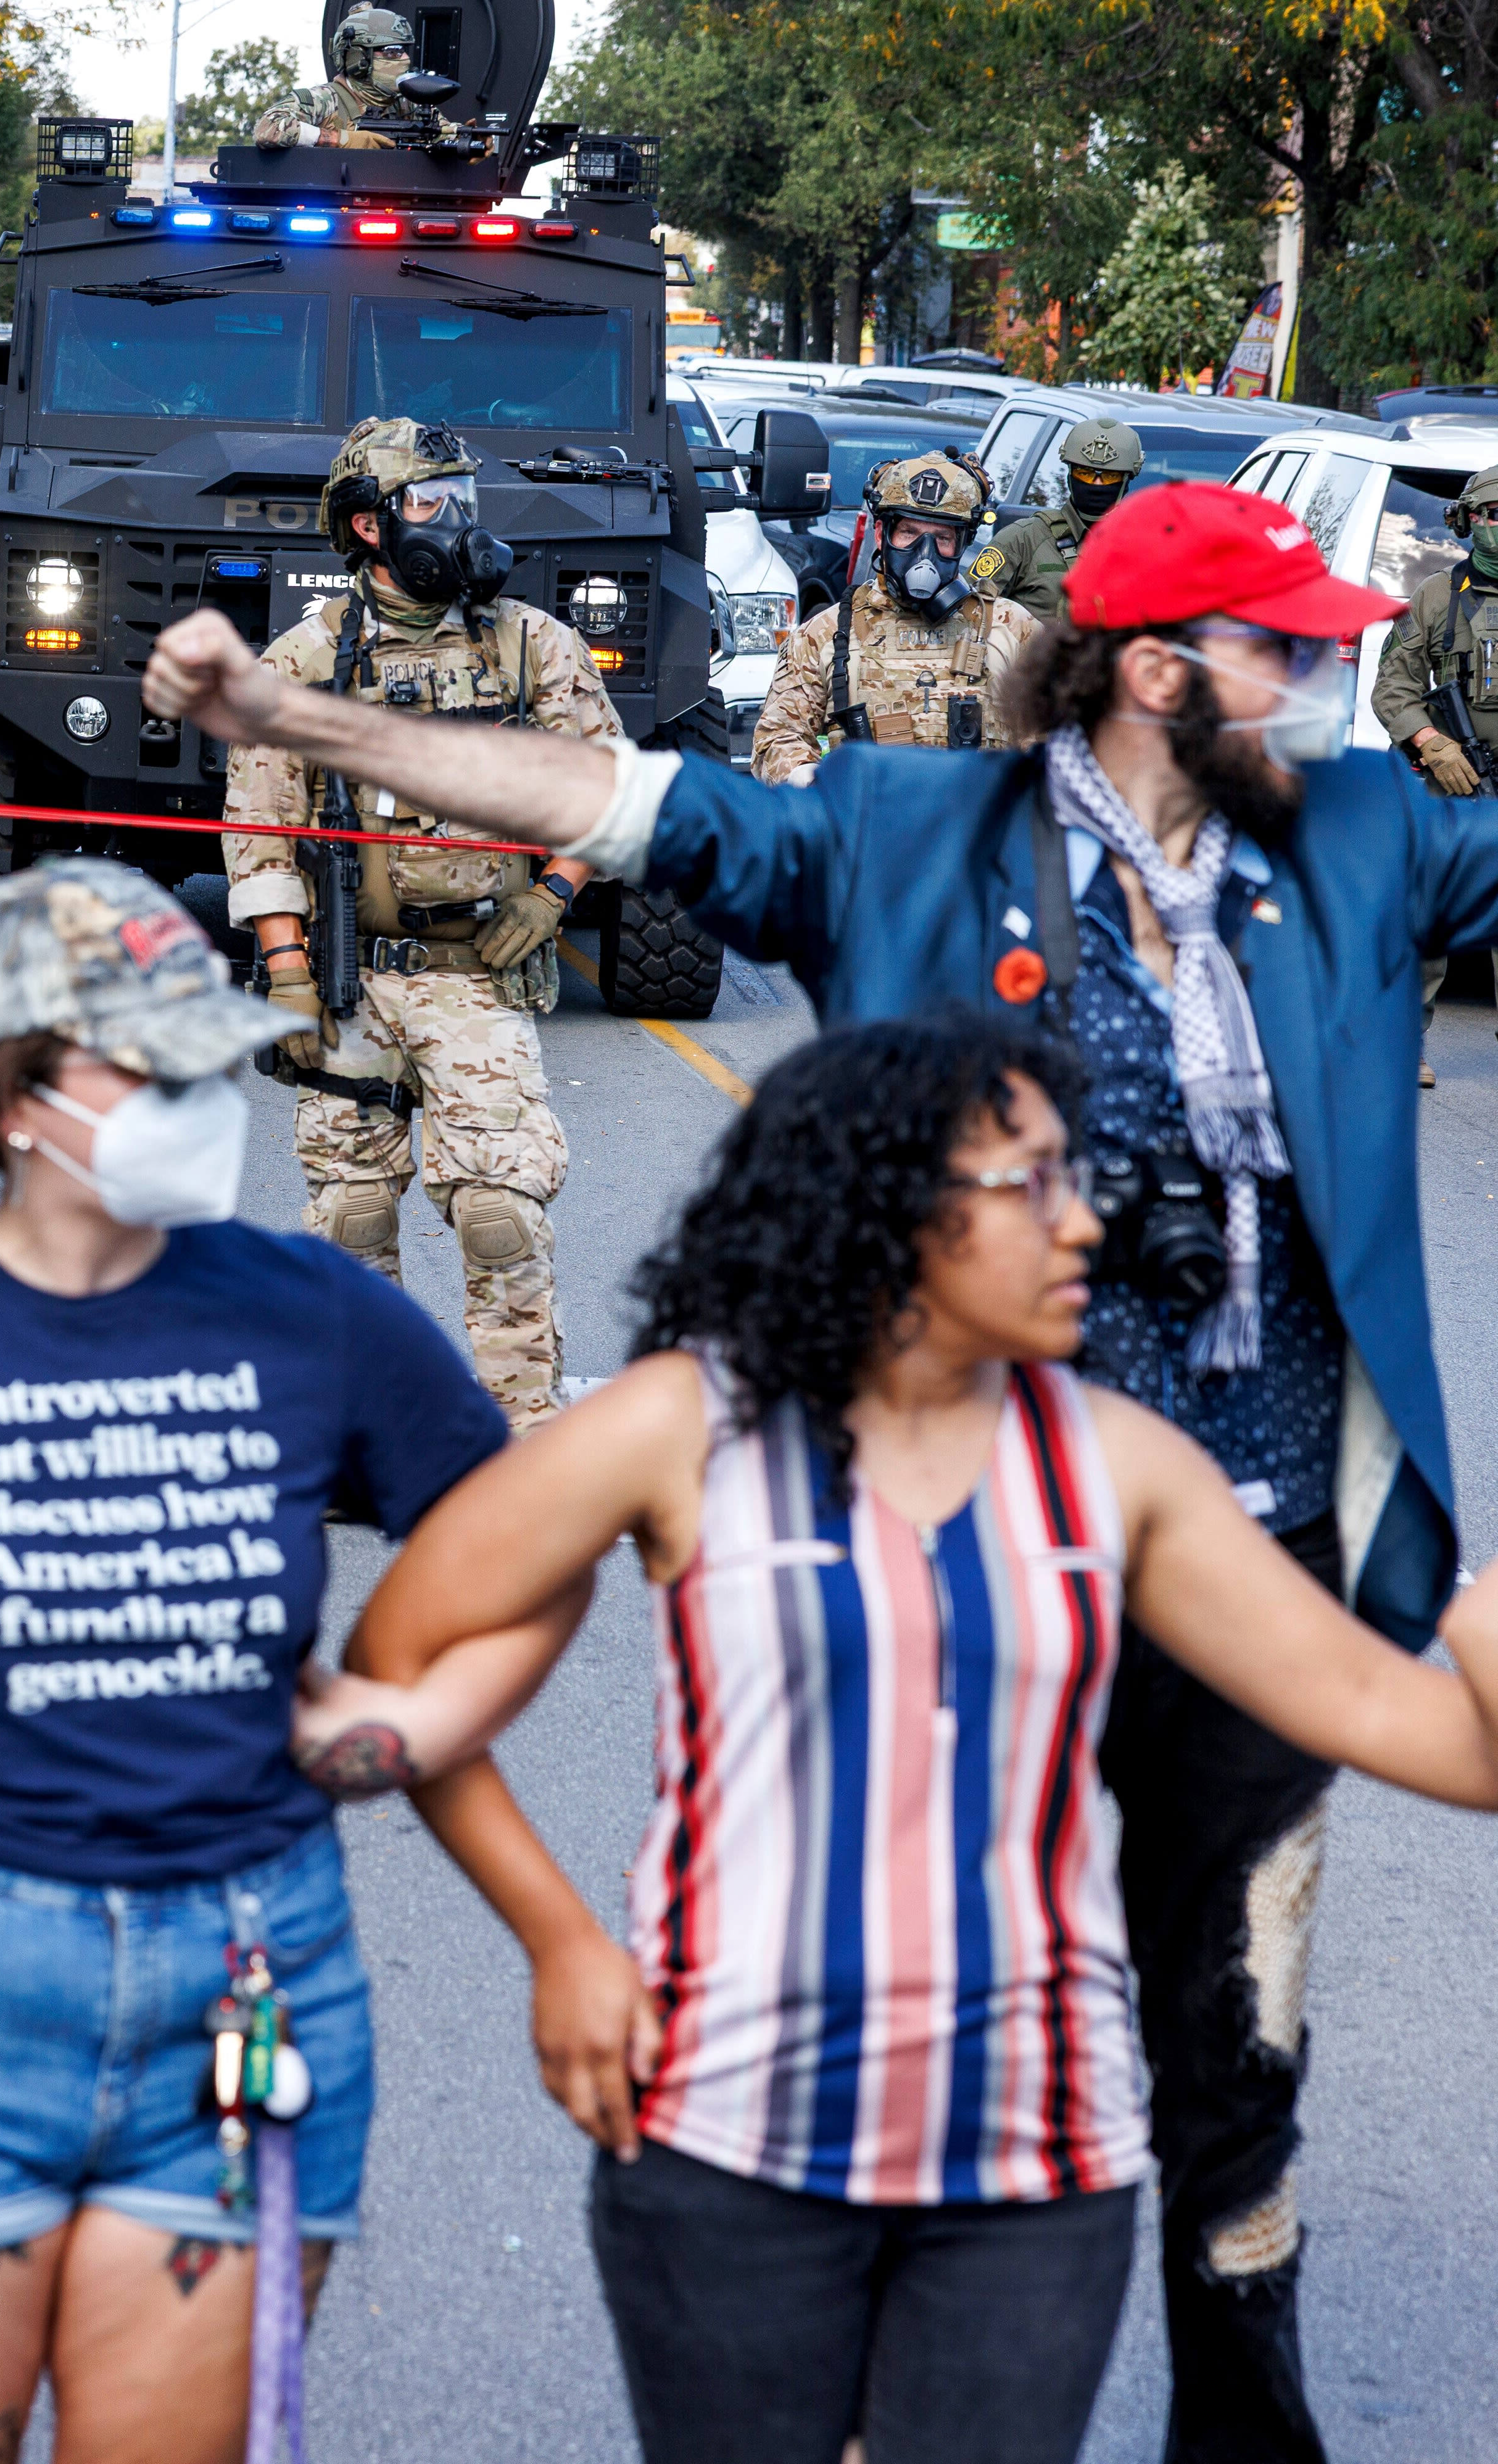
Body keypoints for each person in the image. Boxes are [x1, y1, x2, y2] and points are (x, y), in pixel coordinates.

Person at [144, 478, 1498, 2463]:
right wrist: (297, 721)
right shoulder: (903, 827)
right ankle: (851, 2296)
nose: (1320, 681)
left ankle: (1237, 2379)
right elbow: (610, 806)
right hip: (951, 1537)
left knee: (1233, 2017)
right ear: (1149, 671)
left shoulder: (1362, 834)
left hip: (1271, 1536)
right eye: (1281, 651)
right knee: (921, 1958)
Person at [286, 1014, 1498, 2464]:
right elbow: (399, 1658)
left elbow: (1417, 1733)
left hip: (1028, 2155)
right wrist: (561, 1944)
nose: (1082, 1219)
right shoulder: (685, 1423)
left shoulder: (1110, 1464)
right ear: (888, 1207)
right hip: (722, 2130)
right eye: (1029, 1182)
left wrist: (1458, 1593)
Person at [0, 855, 529, 2464]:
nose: (205, 1095)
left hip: (241, 1975)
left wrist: (414, 1720)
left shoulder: (317, 1316)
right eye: (150, 1062)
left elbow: (523, 1534)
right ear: (5, 1098)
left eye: (211, 1056)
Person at [224, 414, 618, 1433]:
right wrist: (288, 974)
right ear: (367, 527)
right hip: (348, 974)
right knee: (351, 1215)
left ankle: (520, 1423)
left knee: (496, 1212)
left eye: (463, 502)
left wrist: (555, 893)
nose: (459, 525)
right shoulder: (304, 662)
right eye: (433, 506)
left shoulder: (529, 643)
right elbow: (260, 833)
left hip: (476, 971)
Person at [751, 452, 1034, 782]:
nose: (923, 552)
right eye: (909, 533)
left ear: (963, 543)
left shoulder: (1011, 627)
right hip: (870, 826)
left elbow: (1064, 734)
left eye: (942, 538)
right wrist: (807, 778)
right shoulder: (826, 634)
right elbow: (776, 738)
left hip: (977, 829)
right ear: (881, 534)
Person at [1369, 463, 1498, 1087]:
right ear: (1468, 522)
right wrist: (1430, 742)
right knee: (1425, 919)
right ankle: (1407, 1044)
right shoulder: (1437, 596)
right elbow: (1394, 687)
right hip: (1450, 783)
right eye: (1492, 515)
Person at [966, 416, 1144, 617]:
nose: (1096, 484)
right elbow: (970, 612)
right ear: (1070, 476)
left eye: (1110, 476)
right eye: (1085, 473)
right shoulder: (1025, 539)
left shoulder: (1146, 548)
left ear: (1127, 481)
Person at [252, 8, 465, 151]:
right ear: (359, 59)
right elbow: (268, 129)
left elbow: (442, 133)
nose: (405, 59)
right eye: (392, 52)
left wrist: (469, 141)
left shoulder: (409, 104)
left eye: (404, 51)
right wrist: (342, 139)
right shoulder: (323, 100)